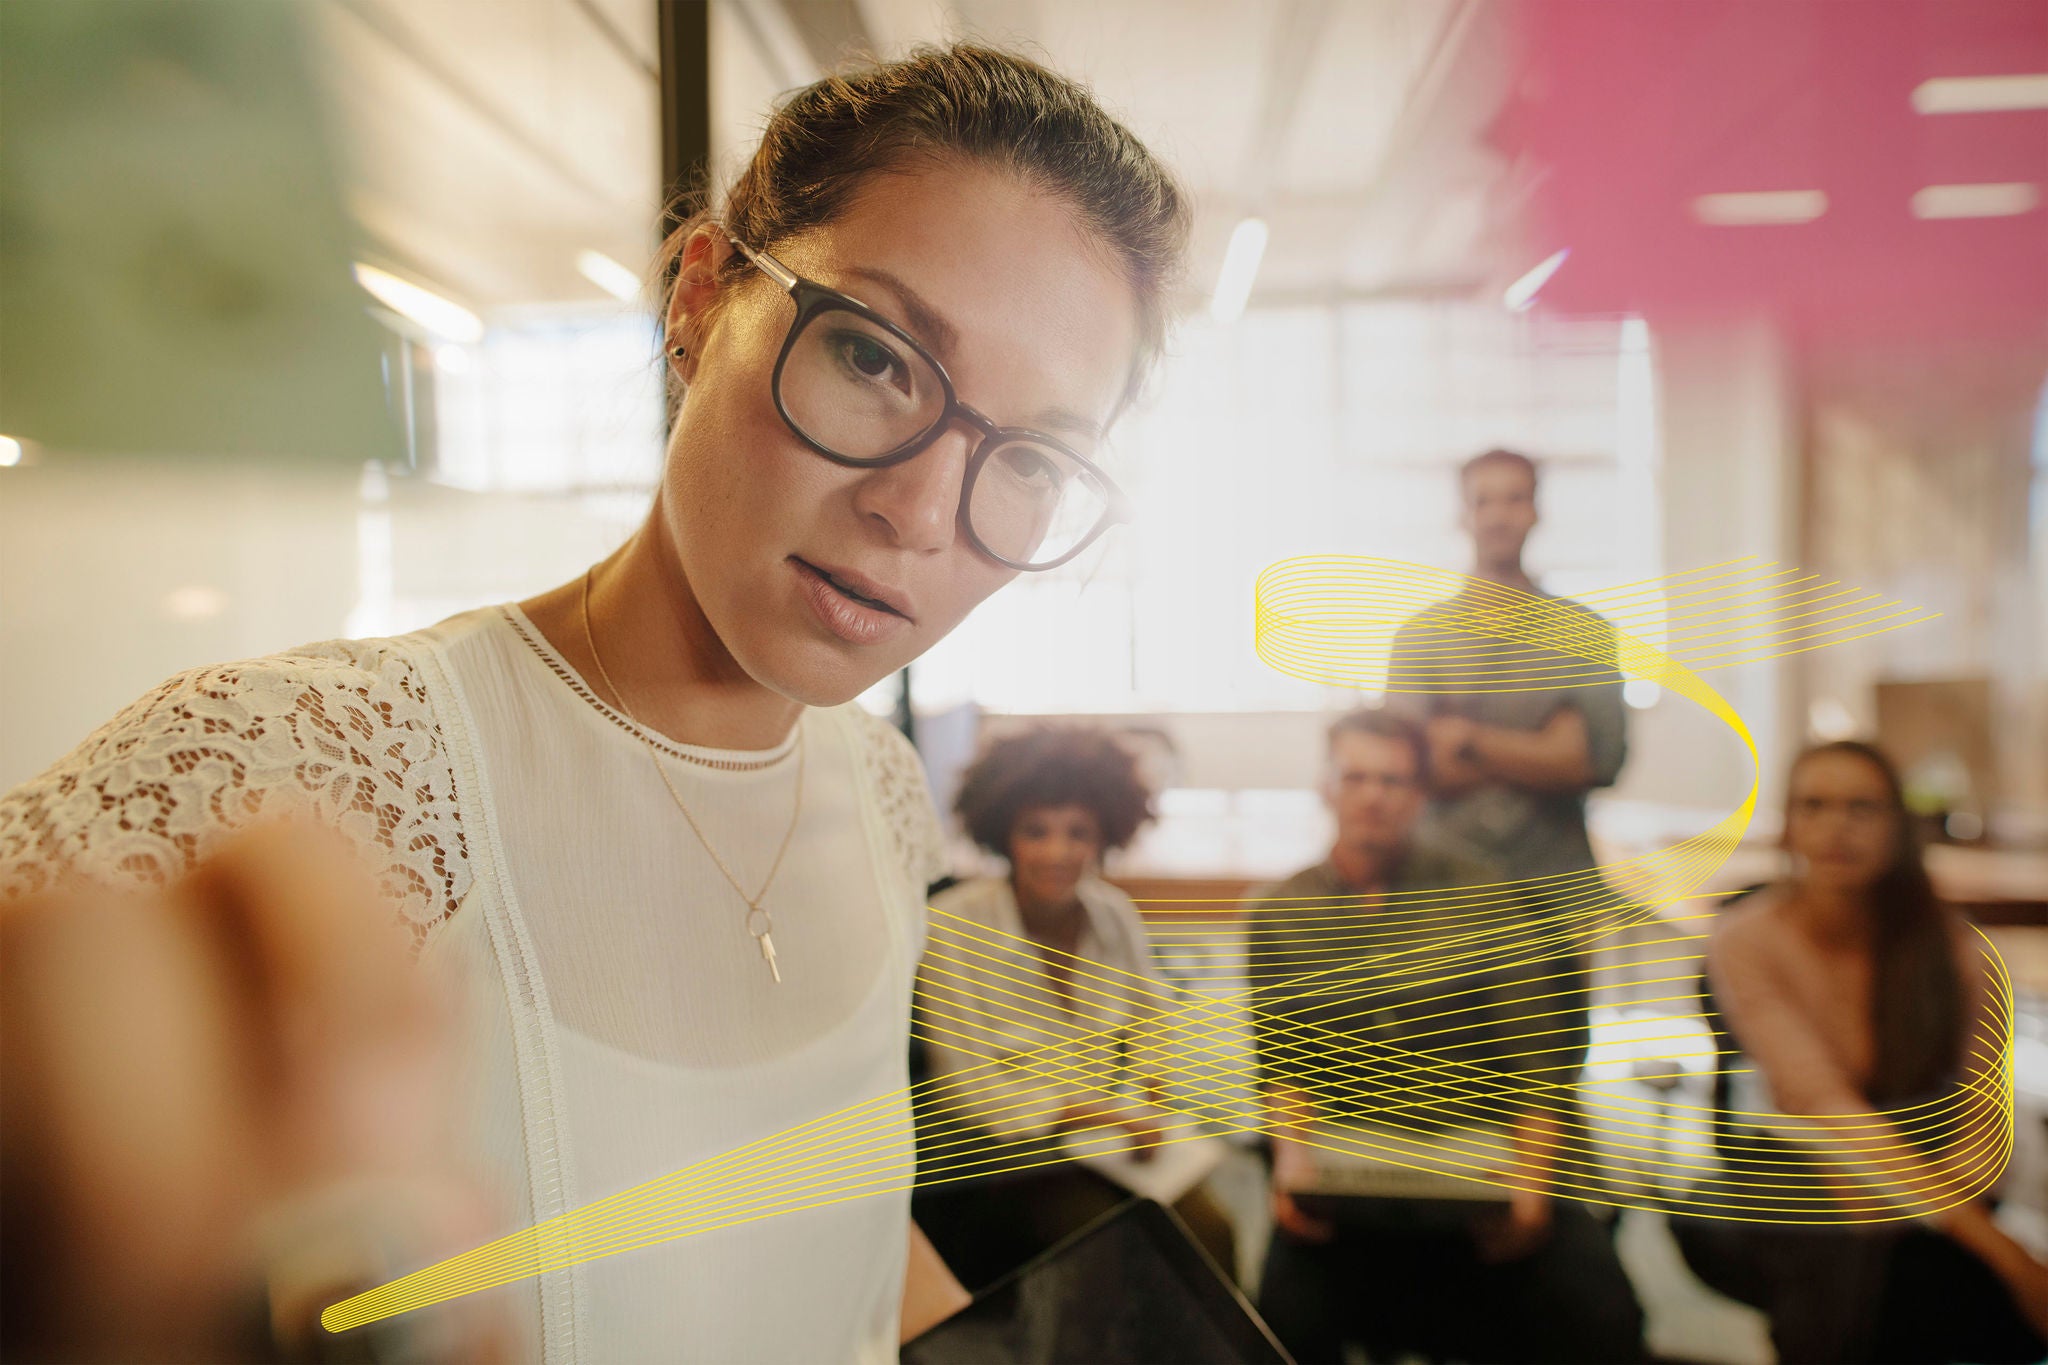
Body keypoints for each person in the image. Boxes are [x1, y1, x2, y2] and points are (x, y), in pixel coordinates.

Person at [0, 43, 1190, 1364]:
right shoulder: (319, 764)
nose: (916, 513)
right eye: (874, 356)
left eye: (1028, 460)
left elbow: (830, 1227)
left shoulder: (884, 793)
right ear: (697, 300)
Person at [1251, 710, 1644, 1365]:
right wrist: (1290, 1164)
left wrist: (1531, 1185)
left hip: (1481, 1161)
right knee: (1278, 1323)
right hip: (1351, 1168)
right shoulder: (1281, 913)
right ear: (1326, 785)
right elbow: (1283, 1061)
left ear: (1422, 792)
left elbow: (1536, 1065)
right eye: (1356, 776)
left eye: (1394, 779)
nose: (1373, 794)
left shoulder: (1484, 897)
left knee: (1600, 1314)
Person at [1673, 741, 2048, 1364]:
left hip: (1928, 1167)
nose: (1835, 827)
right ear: (1788, 823)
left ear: (1899, 826)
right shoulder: (1747, 938)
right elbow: (1818, 1104)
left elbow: (1984, 1120)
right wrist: (2007, 1258)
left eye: (1861, 807)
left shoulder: (1960, 954)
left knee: (1882, 1267)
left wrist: (1907, 1197)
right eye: (1813, 806)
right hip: (1798, 1155)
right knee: (1864, 1257)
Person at [909, 726, 1237, 1289]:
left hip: (1110, 1147)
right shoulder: (953, 926)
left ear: (1104, 835)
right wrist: (1105, 1115)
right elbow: (969, 1090)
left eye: (1077, 833)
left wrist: (1152, 1094)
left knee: (1216, 1231)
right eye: (1036, 832)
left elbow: (1151, 1020)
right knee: (1130, 1250)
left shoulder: (1112, 913)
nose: (1057, 853)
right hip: (1004, 1164)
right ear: (1004, 834)